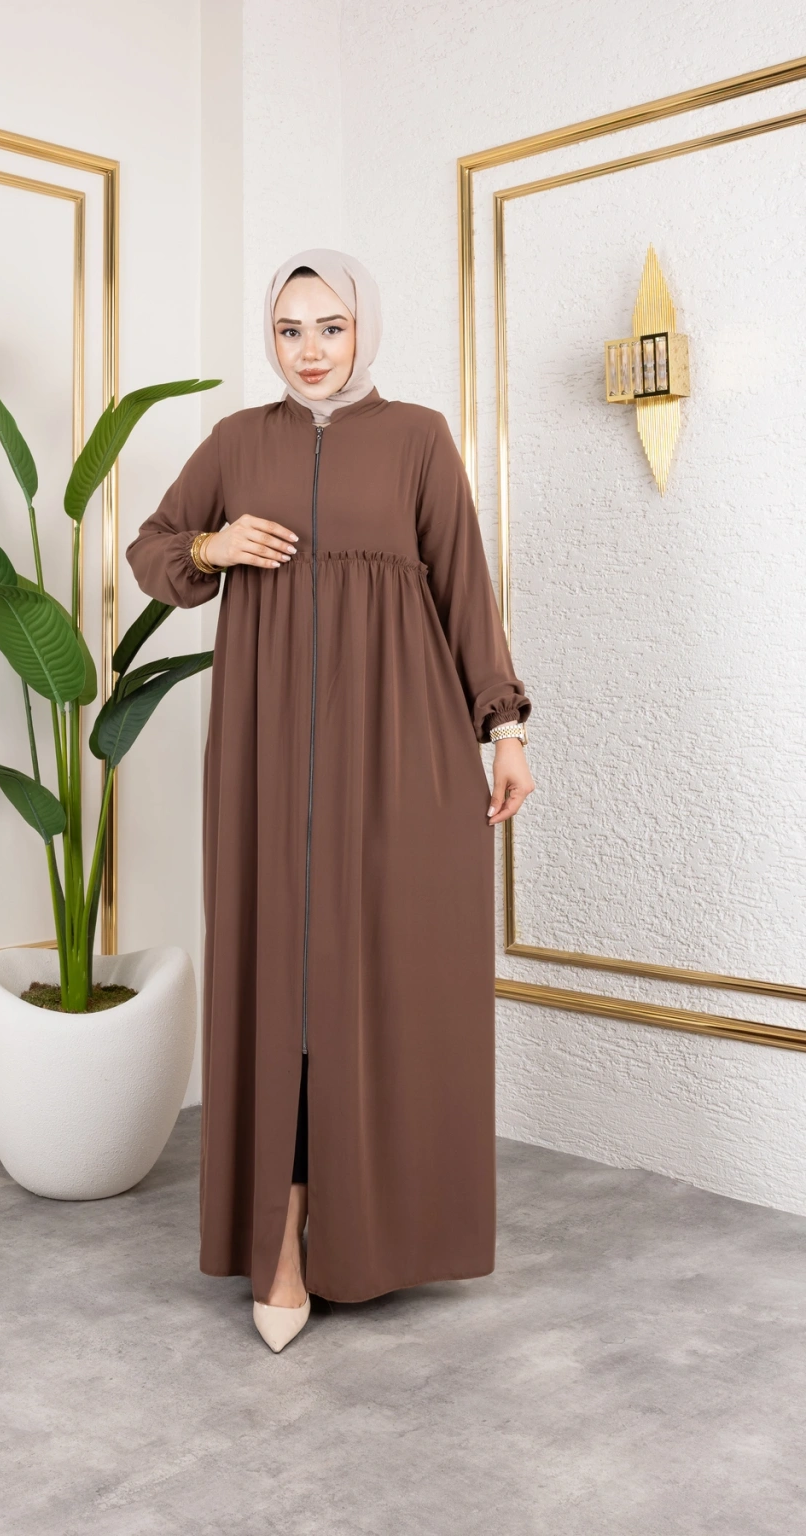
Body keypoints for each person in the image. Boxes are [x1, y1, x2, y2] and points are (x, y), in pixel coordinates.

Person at [125, 249, 534, 1353]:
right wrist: (210, 544)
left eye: (331, 327)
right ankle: (283, 1233)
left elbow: (463, 587)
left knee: (386, 976)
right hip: (266, 760)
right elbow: (152, 550)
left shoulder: (418, 438)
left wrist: (504, 727)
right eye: (289, 330)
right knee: (283, 987)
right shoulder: (235, 441)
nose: (309, 351)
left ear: (365, 331)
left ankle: (375, 1228)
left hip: (401, 750)